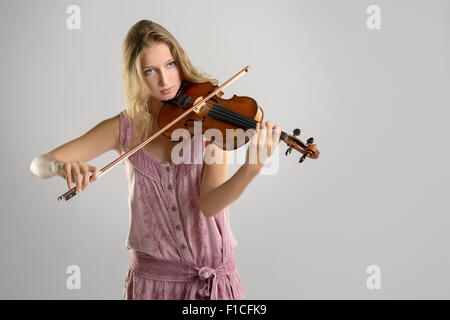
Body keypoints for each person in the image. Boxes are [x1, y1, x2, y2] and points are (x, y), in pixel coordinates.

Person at [30, 20, 281, 300]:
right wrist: (60, 167)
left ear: (180, 62)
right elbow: (39, 163)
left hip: (211, 284)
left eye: (170, 65)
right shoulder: (123, 128)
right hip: (152, 285)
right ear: (136, 76)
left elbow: (209, 205)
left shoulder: (208, 115)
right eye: (150, 71)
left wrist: (251, 167)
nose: (165, 80)